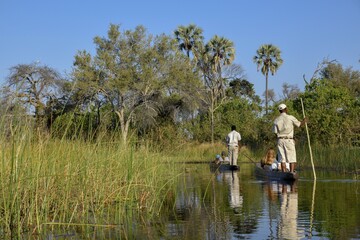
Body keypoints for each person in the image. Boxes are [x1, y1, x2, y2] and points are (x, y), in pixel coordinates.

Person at [273, 103, 307, 173]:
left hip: (280, 140)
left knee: (282, 158)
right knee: (292, 157)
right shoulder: (290, 117)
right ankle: (291, 172)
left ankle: (284, 173)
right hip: (289, 140)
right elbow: (299, 124)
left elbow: (275, 132)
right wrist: (304, 121)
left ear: (279, 111)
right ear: (286, 109)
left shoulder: (276, 120)